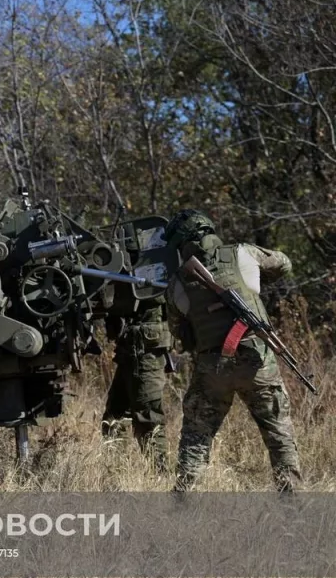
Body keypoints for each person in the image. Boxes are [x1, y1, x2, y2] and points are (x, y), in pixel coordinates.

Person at [164, 209, 301, 492]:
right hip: (257, 361)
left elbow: (181, 336)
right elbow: (284, 264)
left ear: (181, 244)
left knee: (196, 437)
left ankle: (182, 502)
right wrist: (255, 282)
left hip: (213, 366)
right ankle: (293, 502)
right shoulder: (244, 253)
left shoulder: (177, 283)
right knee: (278, 434)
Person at [100, 299, 172, 473]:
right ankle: (116, 472)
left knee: (148, 418)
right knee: (114, 416)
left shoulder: (157, 275)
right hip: (129, 350)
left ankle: (161, 476)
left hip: (146, 350)